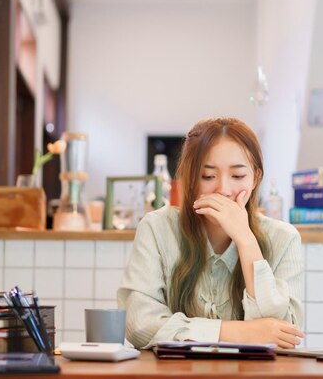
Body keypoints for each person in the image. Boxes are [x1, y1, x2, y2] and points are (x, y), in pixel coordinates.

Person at [117, 117, 304, 349]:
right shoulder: (156, 228)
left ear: (255, 178)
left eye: (237, 176)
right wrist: (236, 333)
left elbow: (285, 335)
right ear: (190, 178)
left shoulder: (284, 238)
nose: (224, 190)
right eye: (208, 176)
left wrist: (246, 240)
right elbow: (139, 324)